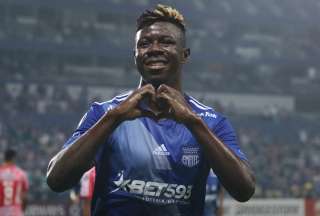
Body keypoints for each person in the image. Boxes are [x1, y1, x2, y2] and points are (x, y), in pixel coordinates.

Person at [46, 4, 255, 215]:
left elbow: (244, 190)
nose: (154, 49)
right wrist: (114, 119)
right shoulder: (105, 113)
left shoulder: (210, 121)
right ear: (135, 54)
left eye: (166, 42)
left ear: (185, 54)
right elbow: (56, 180)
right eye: (144, 43)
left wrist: (193, 123)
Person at [0, 149, 29, 216]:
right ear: (14, 158)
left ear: (4, 158)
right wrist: (22, 211)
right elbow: (24, 197)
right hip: (16, 212)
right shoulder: (21, 174)